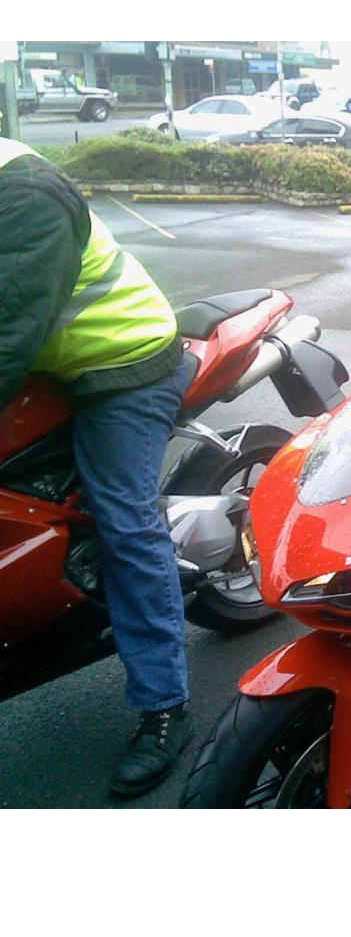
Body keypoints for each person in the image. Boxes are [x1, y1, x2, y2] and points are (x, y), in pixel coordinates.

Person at [0, 137, 193, 798]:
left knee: (125, 522)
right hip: (55, 363)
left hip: (122, 364)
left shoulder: (25, 198)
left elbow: (6, 332)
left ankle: (164, 706)